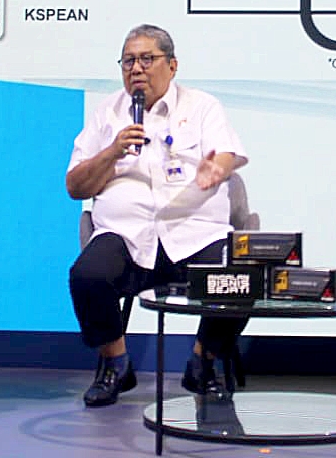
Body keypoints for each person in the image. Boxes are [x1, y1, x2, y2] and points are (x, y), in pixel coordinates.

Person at [67, 24, 249, 407]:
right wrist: (112, 151)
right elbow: (76, 187)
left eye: (147, 59)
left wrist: (217, 169)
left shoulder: (202, 106)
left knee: (242, 277)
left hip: (195, 232)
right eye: (128, 61)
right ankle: (116, 364)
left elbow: (226, 153)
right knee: (86, 276)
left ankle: (203, 362)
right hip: (126, 235)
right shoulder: (107, 113)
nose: (136, 69)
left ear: (172, 65)